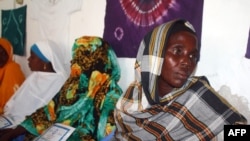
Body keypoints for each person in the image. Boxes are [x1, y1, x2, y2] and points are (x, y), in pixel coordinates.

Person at [113, 19, 247, 141]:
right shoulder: (128, 102)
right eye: (178, 51)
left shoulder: (198, 94)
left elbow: (240, 132)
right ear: (155, 55)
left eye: (193, 56)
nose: (187, 62)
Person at [0, 36, 123, 141]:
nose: (72, 63)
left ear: (97, 62)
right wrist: (15, 131)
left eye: (79, 59)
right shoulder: (72, 86)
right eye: (74, 58)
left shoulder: (111, 96)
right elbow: (47, 113)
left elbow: (107, 135)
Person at [2, 39, 69, 127]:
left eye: (32, 57)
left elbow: (47, 116)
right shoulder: (35, 75)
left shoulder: (59, 82)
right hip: (13, 120)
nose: (28, 59)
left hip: (33, 127)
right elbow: (16, 101)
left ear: (45, 61)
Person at [0, 38, 25, 114]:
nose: (0, 56)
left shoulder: (12, 69)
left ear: (9, 53)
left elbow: (9, 101)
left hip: (7, 113)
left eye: (3, 53)